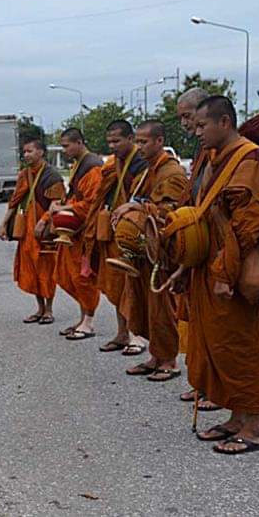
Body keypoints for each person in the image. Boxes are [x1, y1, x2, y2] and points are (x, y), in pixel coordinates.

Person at [187, 96, 259, 454]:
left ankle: (254, 426)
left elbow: (247, 226)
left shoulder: (249, 161)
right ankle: (236, 417)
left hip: (236, 271)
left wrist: (225, 272)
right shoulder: (214, 159)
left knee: (242, 345)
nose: (196, 133)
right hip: (210, 266)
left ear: (224, 122)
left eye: (201, 126)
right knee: (218, 343)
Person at [115, 120, 188, 381]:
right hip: (145, 249)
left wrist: (135, 209)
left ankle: (169, 361)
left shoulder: (171, 173)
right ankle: (156, 356)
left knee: (163, 306)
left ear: (159, 141)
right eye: (138, 141)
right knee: (147, 304)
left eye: (144, 141)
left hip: (163, 249)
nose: (139, 146)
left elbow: (169, 213)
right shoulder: (149, 170)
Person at [82, 120, 148, 355]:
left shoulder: (141, 164)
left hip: (131, 232)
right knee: (116, 287)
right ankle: (121, 333)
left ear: (130, 139)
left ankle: (137, 336)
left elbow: (147, 196)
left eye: (117, 141)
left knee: (132, 287)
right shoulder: (111, 165)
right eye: (109, 141)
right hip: (110, 232)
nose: (112, 146)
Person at [174, 88, 221, 411]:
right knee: (199, 323)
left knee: (220, 329)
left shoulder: (233, 155)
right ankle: (203, 384)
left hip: (219, 254)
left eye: (190, 118)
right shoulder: (206, 153)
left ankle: (219, 391)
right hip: (200, 251)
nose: (189, 127)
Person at [37, 128, 102, 340]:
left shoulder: (93, 168)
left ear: (80, 142)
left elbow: (92, 203)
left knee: (82, 276)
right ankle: (83, 318)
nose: (64, 150)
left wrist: (68, 209)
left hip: (85, 230)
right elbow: (74, 197)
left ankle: (89, 322)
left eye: (66, 146)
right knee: (67, 274)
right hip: (72, 231)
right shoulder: (78, 165)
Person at [0, 138, 65, 324]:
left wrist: (43, 221)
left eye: (29, 151)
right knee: (31, 268)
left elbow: (57, 203)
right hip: (26, 230)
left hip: (45, 230)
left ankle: (49, 310)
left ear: (41, 152)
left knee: (46, 269)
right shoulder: (24, 175)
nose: (26, 155)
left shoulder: (52, 176)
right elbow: (14, 201)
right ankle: (40, 308)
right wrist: (4, 224)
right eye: (24, 152)